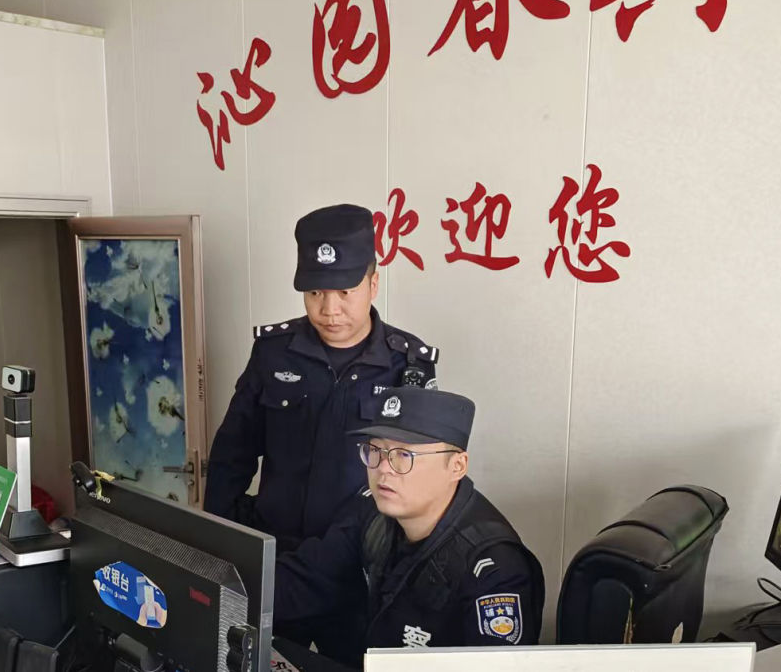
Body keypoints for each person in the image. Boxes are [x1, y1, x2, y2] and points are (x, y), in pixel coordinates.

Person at [203, 204, 439, 550]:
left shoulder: (408, 366)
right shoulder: (274, 353)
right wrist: (222, 540)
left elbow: (422, 478)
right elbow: (232, 455)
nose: (329, 310)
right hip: (280, 551)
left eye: (345, 292)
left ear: (373, 284)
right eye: (315, 293)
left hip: (362, 559)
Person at [274, 386, 545, 661]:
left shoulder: (493, 569)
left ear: (457, 466)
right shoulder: (370, 511)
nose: (383, 468)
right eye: (375, 450)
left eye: (404, 455)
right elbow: (304, 581)